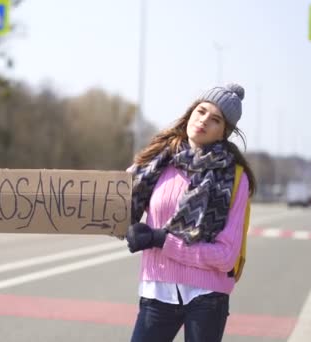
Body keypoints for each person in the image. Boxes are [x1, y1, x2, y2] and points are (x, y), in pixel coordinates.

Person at [125, 83, 255, 342]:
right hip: (157, 290)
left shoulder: (235, 178)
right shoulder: (155, 162)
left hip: (207, 298)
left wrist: (161, 240)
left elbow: (226, 256)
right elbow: (109, 202)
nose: (204, 119)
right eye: (201, 110)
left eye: (215, 119)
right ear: (190, 113)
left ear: (223, 133)